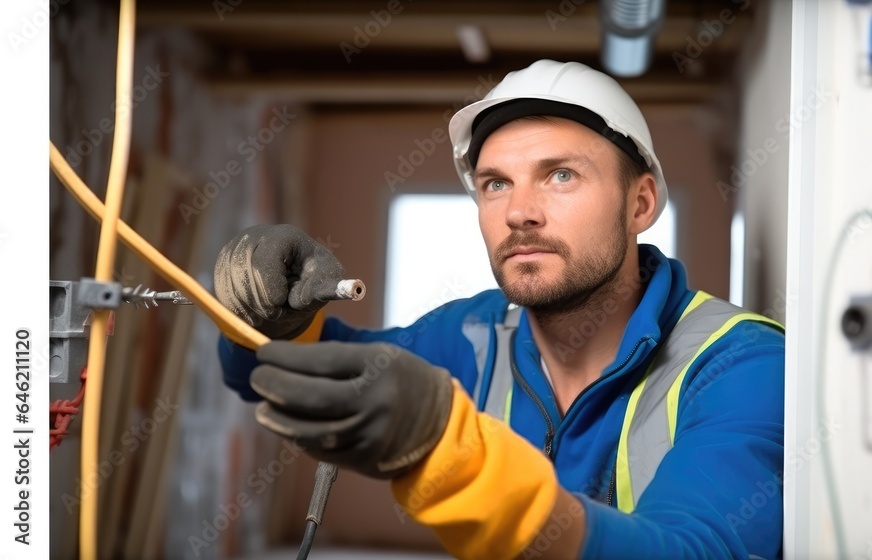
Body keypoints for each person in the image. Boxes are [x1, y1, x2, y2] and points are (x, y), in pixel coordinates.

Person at [214, 59, 785, 559]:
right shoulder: (474, 335)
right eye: (495, 184)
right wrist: (269, 314)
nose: (519, 212)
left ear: (640, 204)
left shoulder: (742, 365)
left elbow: (695, 550)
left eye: (561, 175)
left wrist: (459, 459)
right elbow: (277, 374)